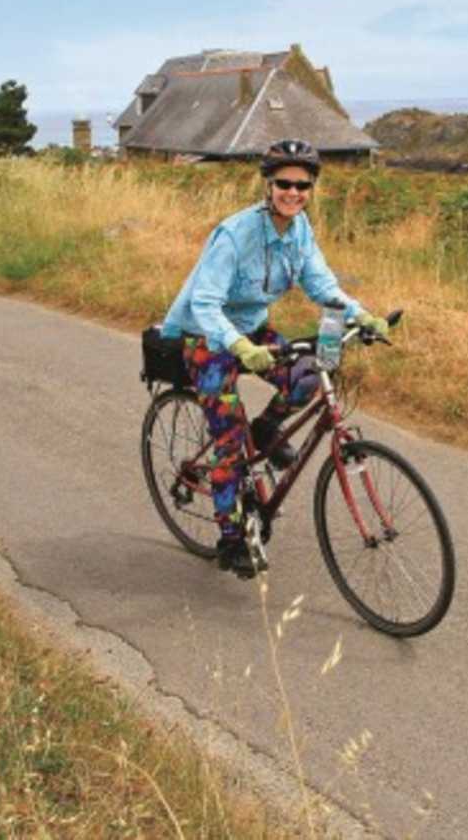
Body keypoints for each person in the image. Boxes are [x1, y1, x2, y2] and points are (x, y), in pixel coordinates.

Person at [160, 138, 391, 577]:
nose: (293, 193)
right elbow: (206, 304)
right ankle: (231, 540)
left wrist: (363, 315)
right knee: (228, 441)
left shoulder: (301, 229)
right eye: (284, 183)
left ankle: (265, 434)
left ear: (311, 190)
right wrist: (239, 347)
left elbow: (322, 285)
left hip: (252, 329)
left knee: (307, 377)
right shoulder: (236, 234)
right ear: (268, 185)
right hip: (207, 336)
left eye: (302, 186)